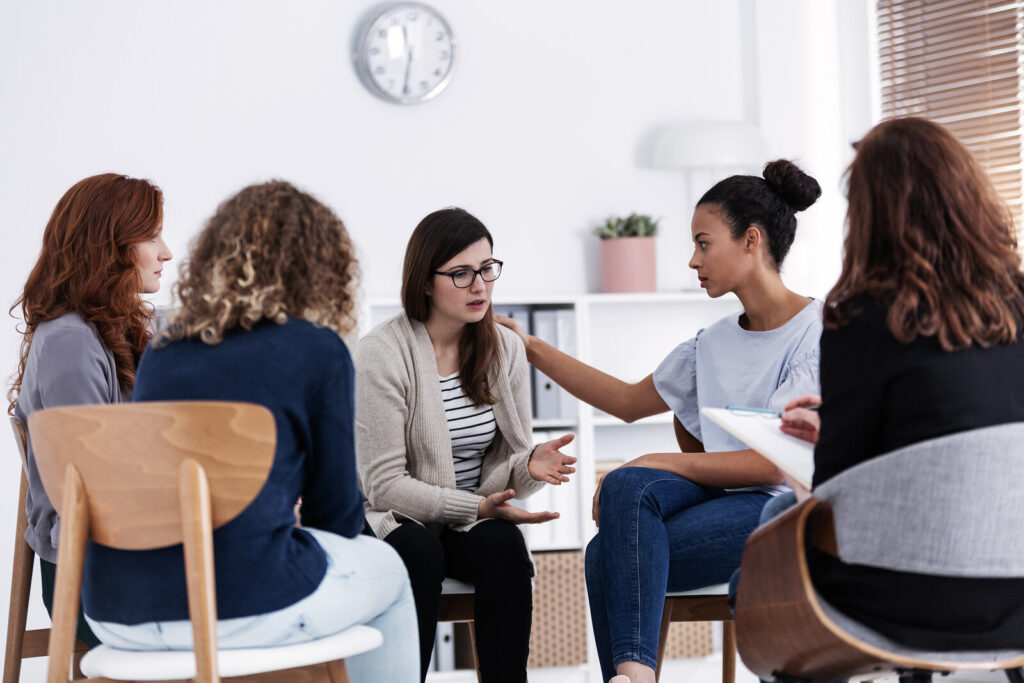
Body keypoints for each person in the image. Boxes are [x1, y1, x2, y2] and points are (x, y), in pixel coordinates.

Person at [498, 160, 822, 683]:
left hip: (782, 514)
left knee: (608, 552)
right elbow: (626, 401)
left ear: (751, 241)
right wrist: (530, 347)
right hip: (716, 504)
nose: (693, 260)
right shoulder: (711, 344)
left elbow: (770, 467)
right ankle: (637, 675)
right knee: (626, 492)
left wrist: (659, 459)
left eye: (703, 243)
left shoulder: (816, 334)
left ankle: (630, 677)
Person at [81, 180, 418, 682]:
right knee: (388, 569)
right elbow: (338, 519)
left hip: (116, 608)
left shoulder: (165, 346)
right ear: (322, 266)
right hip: (238, 606)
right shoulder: (317, 349)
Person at [773, 117, 1024, 650]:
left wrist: (829, 440)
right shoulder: (1018, 308)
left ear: (871, 216)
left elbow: (833, 498)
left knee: (776, 525)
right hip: (1017, 595)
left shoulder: (862, 323)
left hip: (906, 599)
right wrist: (842, 417)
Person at [356, 207, 577, 683]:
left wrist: (528, 467)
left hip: (471, 515)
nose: (480, 285)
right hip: (391, 516)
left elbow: (506, 464)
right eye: (460, 274)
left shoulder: (505, 347)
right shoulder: (381, 354)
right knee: (419, 552)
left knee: (504, 548)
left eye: (486, 269)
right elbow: (384, 486)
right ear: (424, 282)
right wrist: (474, 509)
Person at [9, 172, 172, 648]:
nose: (166, 252)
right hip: (96, 582)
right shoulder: (71, 344)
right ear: (110, 246)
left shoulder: (106, 331)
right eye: (152, 235)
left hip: (117, 563)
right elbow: (97, 491)